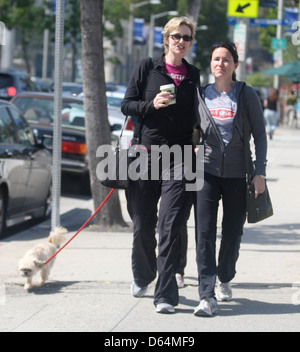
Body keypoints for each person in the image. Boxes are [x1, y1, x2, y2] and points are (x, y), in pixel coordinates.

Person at [121, 17, 200, 314]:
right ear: (166, 38)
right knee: (142, 224)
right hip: (146, 154)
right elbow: (127, 105)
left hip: (180, 158)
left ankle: (165, 294)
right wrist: (150, 105)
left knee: (170, 226)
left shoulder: (193, 75)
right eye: (177, 36)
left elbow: (197, 115)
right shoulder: (147, 67)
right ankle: (143, 275)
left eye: (187, 38)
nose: (181, 41)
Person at [194, 42, 267, 317]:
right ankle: (206, 293)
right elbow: (192, 129)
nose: (220, 64)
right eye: (216, 59)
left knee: (233, 233)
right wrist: (193, 144)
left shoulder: (246, 94)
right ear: (211, 64)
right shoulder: (201, 95)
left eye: (226, 59)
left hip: (238, 173)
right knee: (204, 234)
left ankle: (224, 276)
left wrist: (259, 172)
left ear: (234, 65)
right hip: (207, 172)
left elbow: (259, 135)